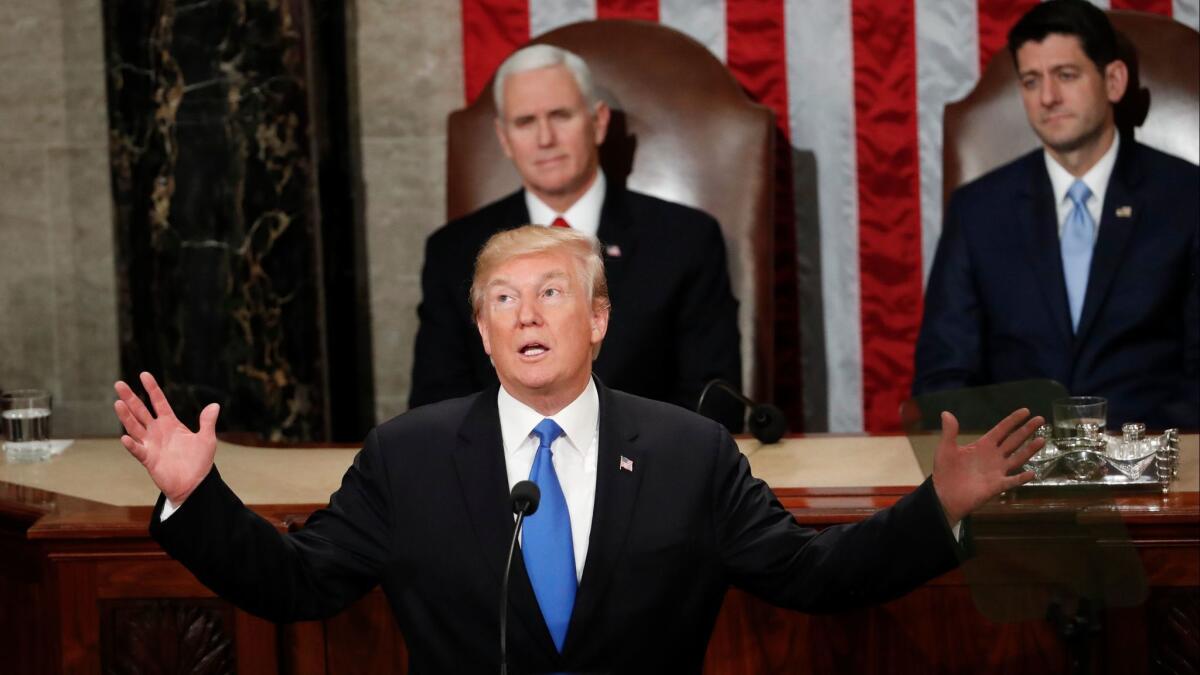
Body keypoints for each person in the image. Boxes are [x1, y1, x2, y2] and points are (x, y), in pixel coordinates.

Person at [115, 226, 1044, 673]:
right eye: (503, 300)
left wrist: (939, 512)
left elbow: (810, 573)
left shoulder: (690, 451)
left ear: (597, 318)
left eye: (551, 293)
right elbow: (299, 584)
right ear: (481, 333)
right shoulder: (408, 455)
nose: (526, 313)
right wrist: (196, 500)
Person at [410, 43, 744, 431]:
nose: (545, 138)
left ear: (598, 122)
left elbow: (713, 400)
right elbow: (436, 405)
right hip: (500, 477)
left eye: (560, 115)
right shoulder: (454, 251)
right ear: (504, 138)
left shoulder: (685, 239)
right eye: (525, 122)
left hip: (647, 473)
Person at [913, 0, 1199, 430]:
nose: (1047, 97)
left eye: (1066, 75)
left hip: (1154, 470)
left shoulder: (1187, 197)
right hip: (1017, 475)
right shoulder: (978, 211)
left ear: (1114, 81)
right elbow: (944, 378)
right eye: (1031, 81)